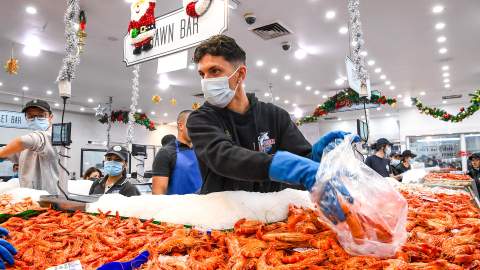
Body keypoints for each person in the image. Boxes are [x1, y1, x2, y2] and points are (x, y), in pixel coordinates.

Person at [186, 35, 355, 195]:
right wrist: (279, 165)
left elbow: (301, 161)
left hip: (272, 217)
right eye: (202, 74)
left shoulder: (275, 116)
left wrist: (317, 156)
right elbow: (223, 156)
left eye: (214, 71)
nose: (206, 80)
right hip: (224, 219)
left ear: (240, 74)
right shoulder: (201, 119)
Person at [0, 99, 59, 194]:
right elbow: (10, 152)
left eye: (40, 116)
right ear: (26, 118)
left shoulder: (52, 137)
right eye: (31, 116)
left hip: (48, 198)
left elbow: (22, 141)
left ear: (50, 117)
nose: (35, 119)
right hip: (29, 196)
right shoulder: (31, 142)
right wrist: (2, 154)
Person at [151, 110, 203, 195]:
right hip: (176, 207)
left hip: (201, 205)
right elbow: (158, 195)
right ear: (181, 126)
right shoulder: (165, 153)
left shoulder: (201, 151)